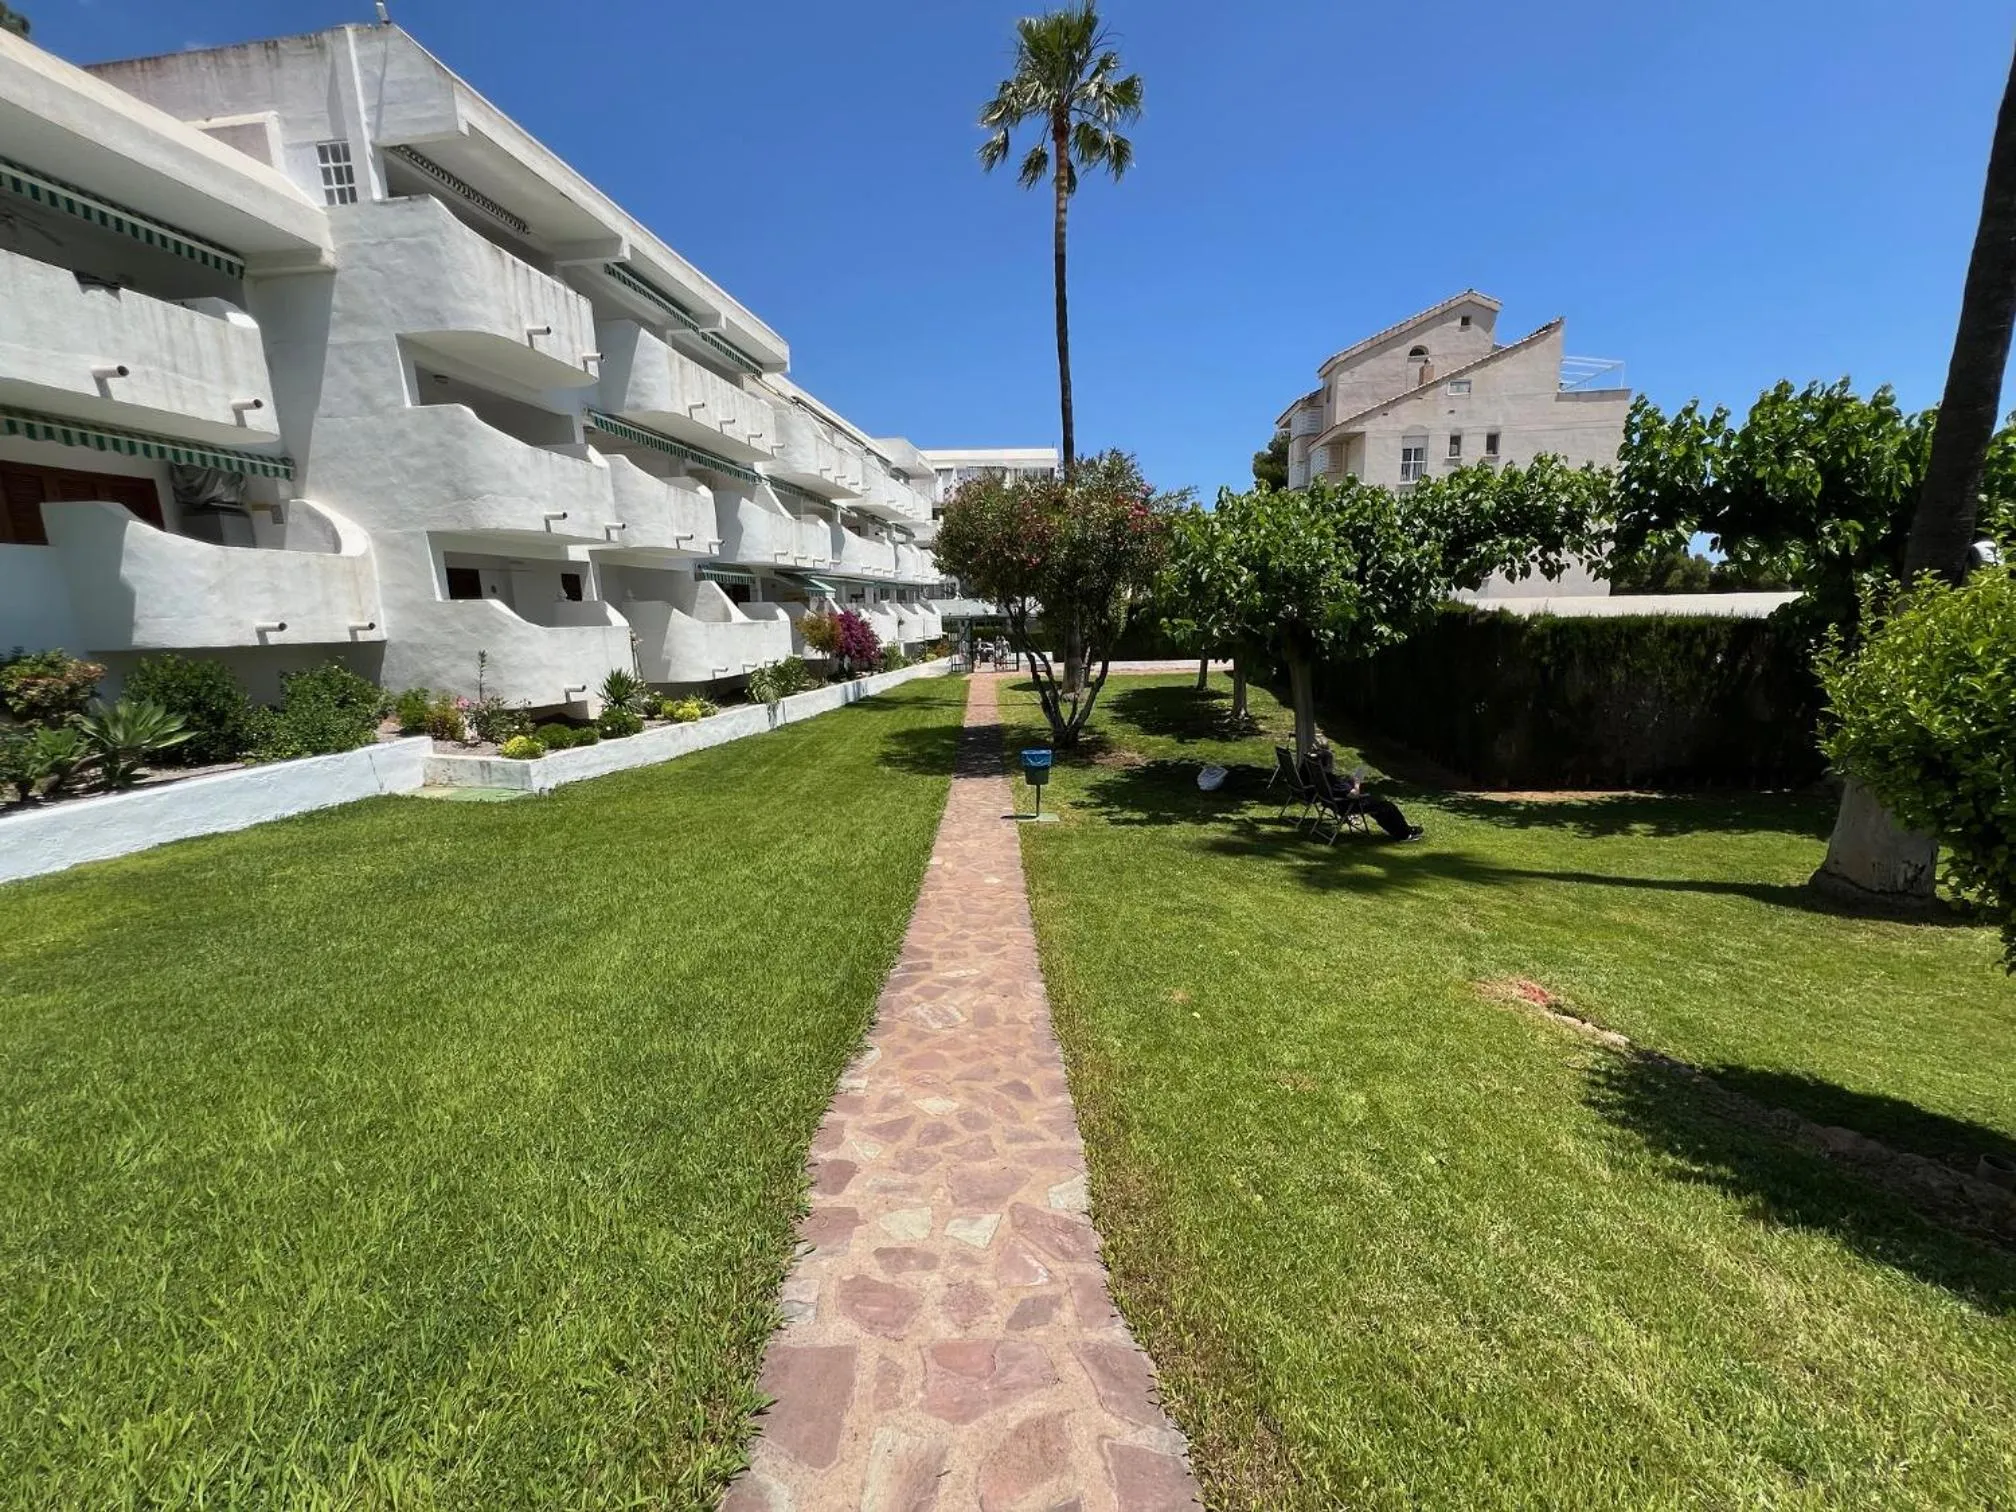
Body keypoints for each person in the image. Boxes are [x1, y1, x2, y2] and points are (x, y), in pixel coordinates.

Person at [1307, 739, 1423, 841]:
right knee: (1388, 807)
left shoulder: (1321, 775)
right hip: (1347, 805)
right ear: (1328, 763)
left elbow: (1341, 789)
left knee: (1379, 809)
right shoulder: (1332, 780)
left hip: (1335, 803)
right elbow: (1354, 795)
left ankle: (1400, 832)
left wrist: (1350, 781)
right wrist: (1357, 783)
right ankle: (1405, 834)